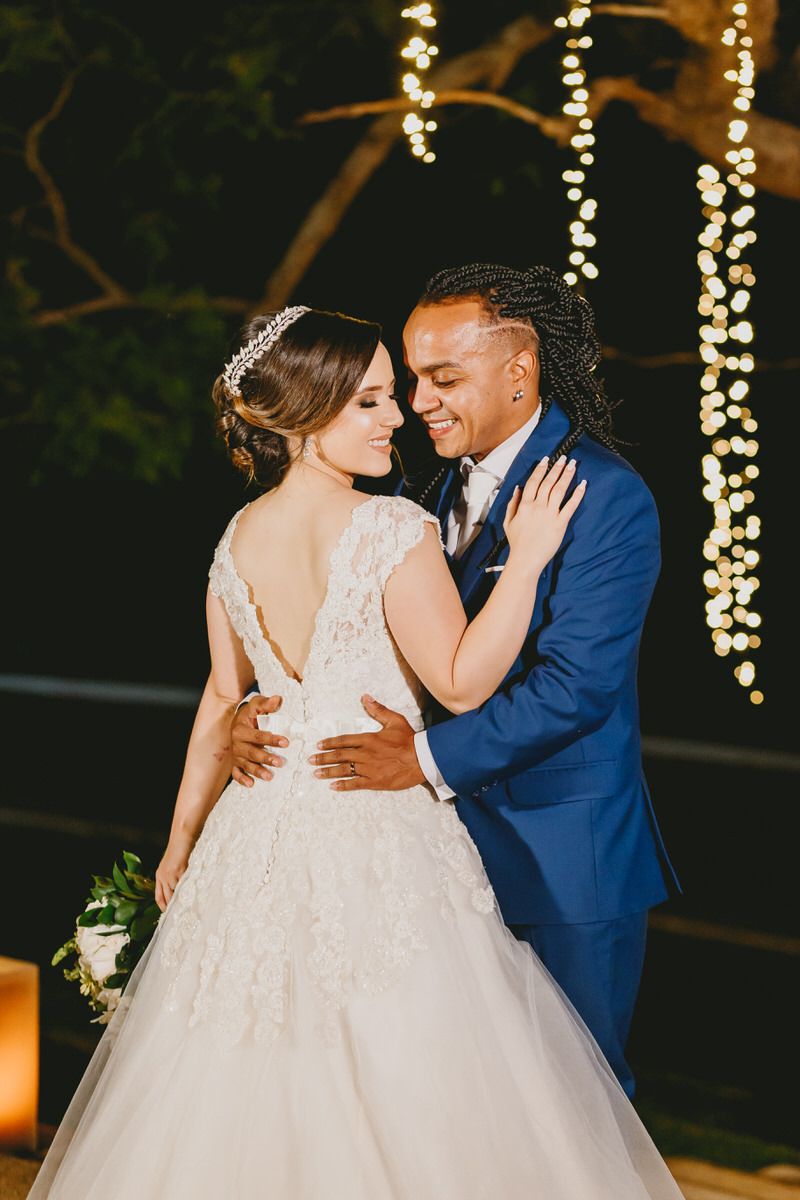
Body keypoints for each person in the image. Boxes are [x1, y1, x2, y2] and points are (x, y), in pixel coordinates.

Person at [30, 304, 683, 1200]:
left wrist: (182, 838)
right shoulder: (393, 525)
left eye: (399, 393)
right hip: (379, 831)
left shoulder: (235, 538)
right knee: (431, 1079)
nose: (398, 416)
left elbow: (221, 697)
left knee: (257, 1073)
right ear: (307, 412)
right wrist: (529, 560)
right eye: (372, 400)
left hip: (259, 833)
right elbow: (460, 684)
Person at [232, 265, 678, 1100]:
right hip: (423, 866)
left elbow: (575, 688)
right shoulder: (418, 491)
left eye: (444, 378)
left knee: (571, 1110)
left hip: (559, 860)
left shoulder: (604, 495)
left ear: (519, 371)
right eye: (412, 380)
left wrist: (424, 761)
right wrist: (258, 712)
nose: (418, 403)